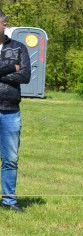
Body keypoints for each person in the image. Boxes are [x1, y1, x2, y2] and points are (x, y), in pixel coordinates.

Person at [0, 11, 31, 213]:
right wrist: (11, 67)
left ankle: (9, 200)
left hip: (10, 110)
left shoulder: (19, 47)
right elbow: (16, 70)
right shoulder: (14, 58)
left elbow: (25, 75)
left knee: (10, 159)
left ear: (4, 25)